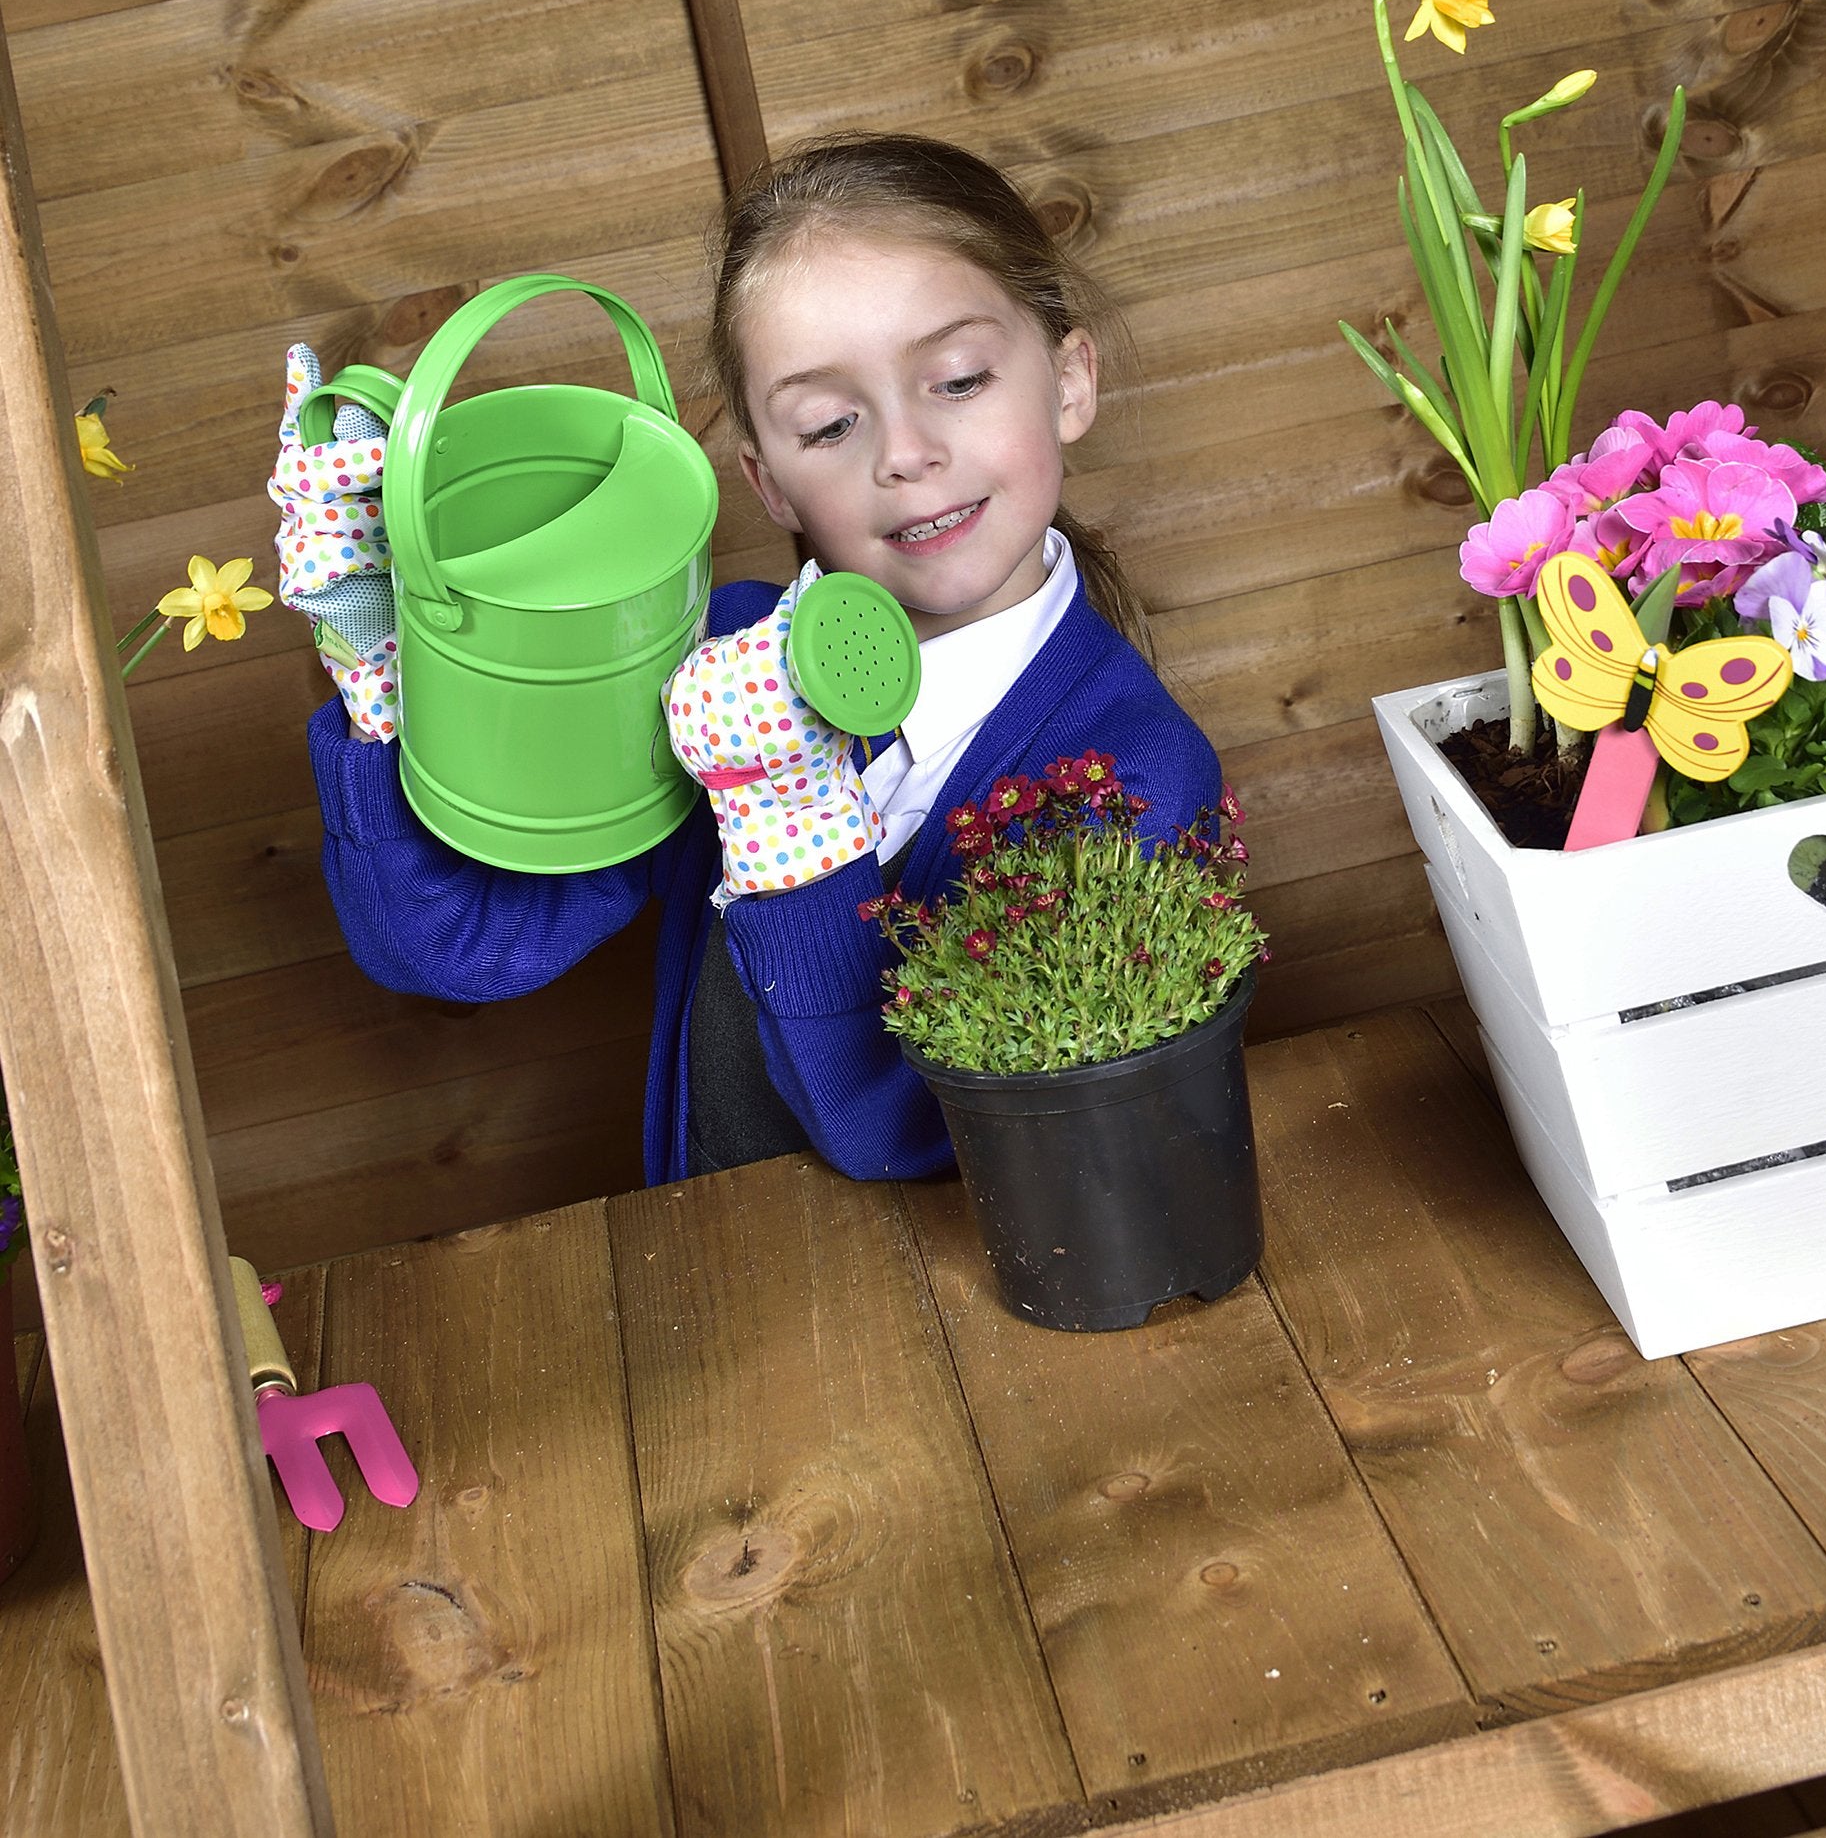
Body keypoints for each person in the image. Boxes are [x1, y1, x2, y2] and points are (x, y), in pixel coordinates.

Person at [285, 133, 1223, 1185]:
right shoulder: (718, 668)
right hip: (711, 1268)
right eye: (827, 426)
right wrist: (386, 669)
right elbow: (451, 946)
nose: (904, 453)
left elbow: (927, 1136)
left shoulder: (1132, 776)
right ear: (768, 482)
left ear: (1069, 381)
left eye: (958, 380)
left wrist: (791, 825)